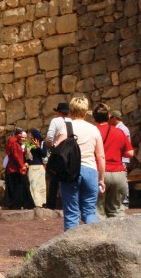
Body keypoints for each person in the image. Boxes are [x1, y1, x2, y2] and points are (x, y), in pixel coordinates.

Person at [53, 96, 105, 231]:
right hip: (91, 170)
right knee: (89, 212)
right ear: (86, 112)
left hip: (70, 171)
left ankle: (71, 247)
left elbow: (57, 148)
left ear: (70, 111)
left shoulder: (67, 127)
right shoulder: (94, 129)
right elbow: (101, 156)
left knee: (71, 213)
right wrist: (101, 179)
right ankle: (95, 242)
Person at [94, 104, 133, 218]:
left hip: (99, 172)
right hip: (118, 173)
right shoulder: (119, 132)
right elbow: (130, 153)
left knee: (98, 211)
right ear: (108, 116)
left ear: (94, 118)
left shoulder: (93, 131)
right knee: (116, 211)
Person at [44, 101, 71, 209]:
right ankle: (66, 203)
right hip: (69, 152)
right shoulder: (71, 121)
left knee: (54, 177)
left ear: (59, 112)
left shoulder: (55, 121)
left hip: (58, 151)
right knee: (67, 177)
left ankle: (52, 203)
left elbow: (50, 137)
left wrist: (51, 147)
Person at [4, 128, 34, 209]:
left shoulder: (15, 142)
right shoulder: (14, 142)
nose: (22, 136)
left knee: (17, 186)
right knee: (19, 186)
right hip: (15, 168)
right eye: (20, 134)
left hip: (14, 167)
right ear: (17, 134)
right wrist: (22, 166)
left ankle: (17, 204)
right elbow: (16, 155)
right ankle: (18, 204)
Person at [109, 110, 132, 206]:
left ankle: (125, 200)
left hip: (122, 158)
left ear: (114, 118)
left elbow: (124, 144)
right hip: (120, 157)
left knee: (122, 179)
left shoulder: (122, 129)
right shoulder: (120, 128)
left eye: (111, 118)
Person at [26, 128, 48, 208]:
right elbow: (27, 157)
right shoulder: (28, 144)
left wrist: (38, 147)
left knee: (41, 185)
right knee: (33, 186)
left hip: (39, 166)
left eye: (30, 134)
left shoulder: (42, 143)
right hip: (31, 167)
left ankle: (41, 202)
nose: (29, 136)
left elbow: (44, 154)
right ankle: (35, 203)